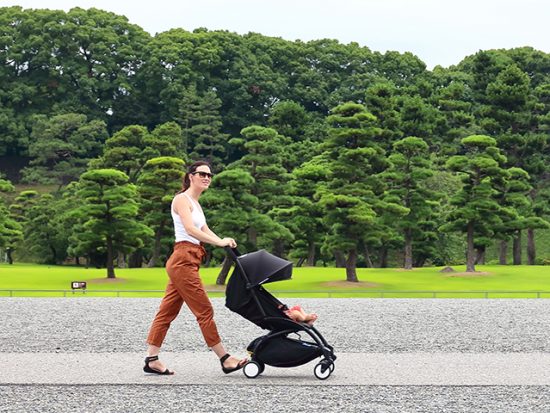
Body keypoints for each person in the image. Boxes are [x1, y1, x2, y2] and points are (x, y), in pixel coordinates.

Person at [144, 161, 247, 375]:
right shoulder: (181, 199)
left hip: (189, 259)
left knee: (167, 311)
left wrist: (223, 240)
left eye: (209, 175)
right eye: (202, 174)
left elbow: (204, 228)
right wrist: (218, 243)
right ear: (190, 176)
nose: (207, 178)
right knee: (204, 310)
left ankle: (151, 359)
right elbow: (190, 229)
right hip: (183, 258)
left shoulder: (196, 204)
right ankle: (225, 358)